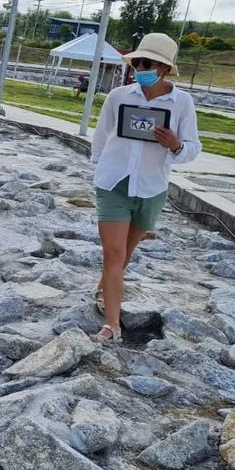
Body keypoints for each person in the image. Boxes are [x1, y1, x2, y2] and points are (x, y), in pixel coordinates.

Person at [90, 33, 200, 344]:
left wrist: (176, 145)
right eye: (137, 62)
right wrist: (97, 166)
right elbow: (101, 136)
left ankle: (103, 289)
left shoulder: (182, 103)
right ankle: (112, 325)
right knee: (112, 254)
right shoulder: (119, 96)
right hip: (113, 183)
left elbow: (194, 147)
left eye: (147, 62)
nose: (140, 67)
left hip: (151, 187)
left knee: (124, 254)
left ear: (164, 68)